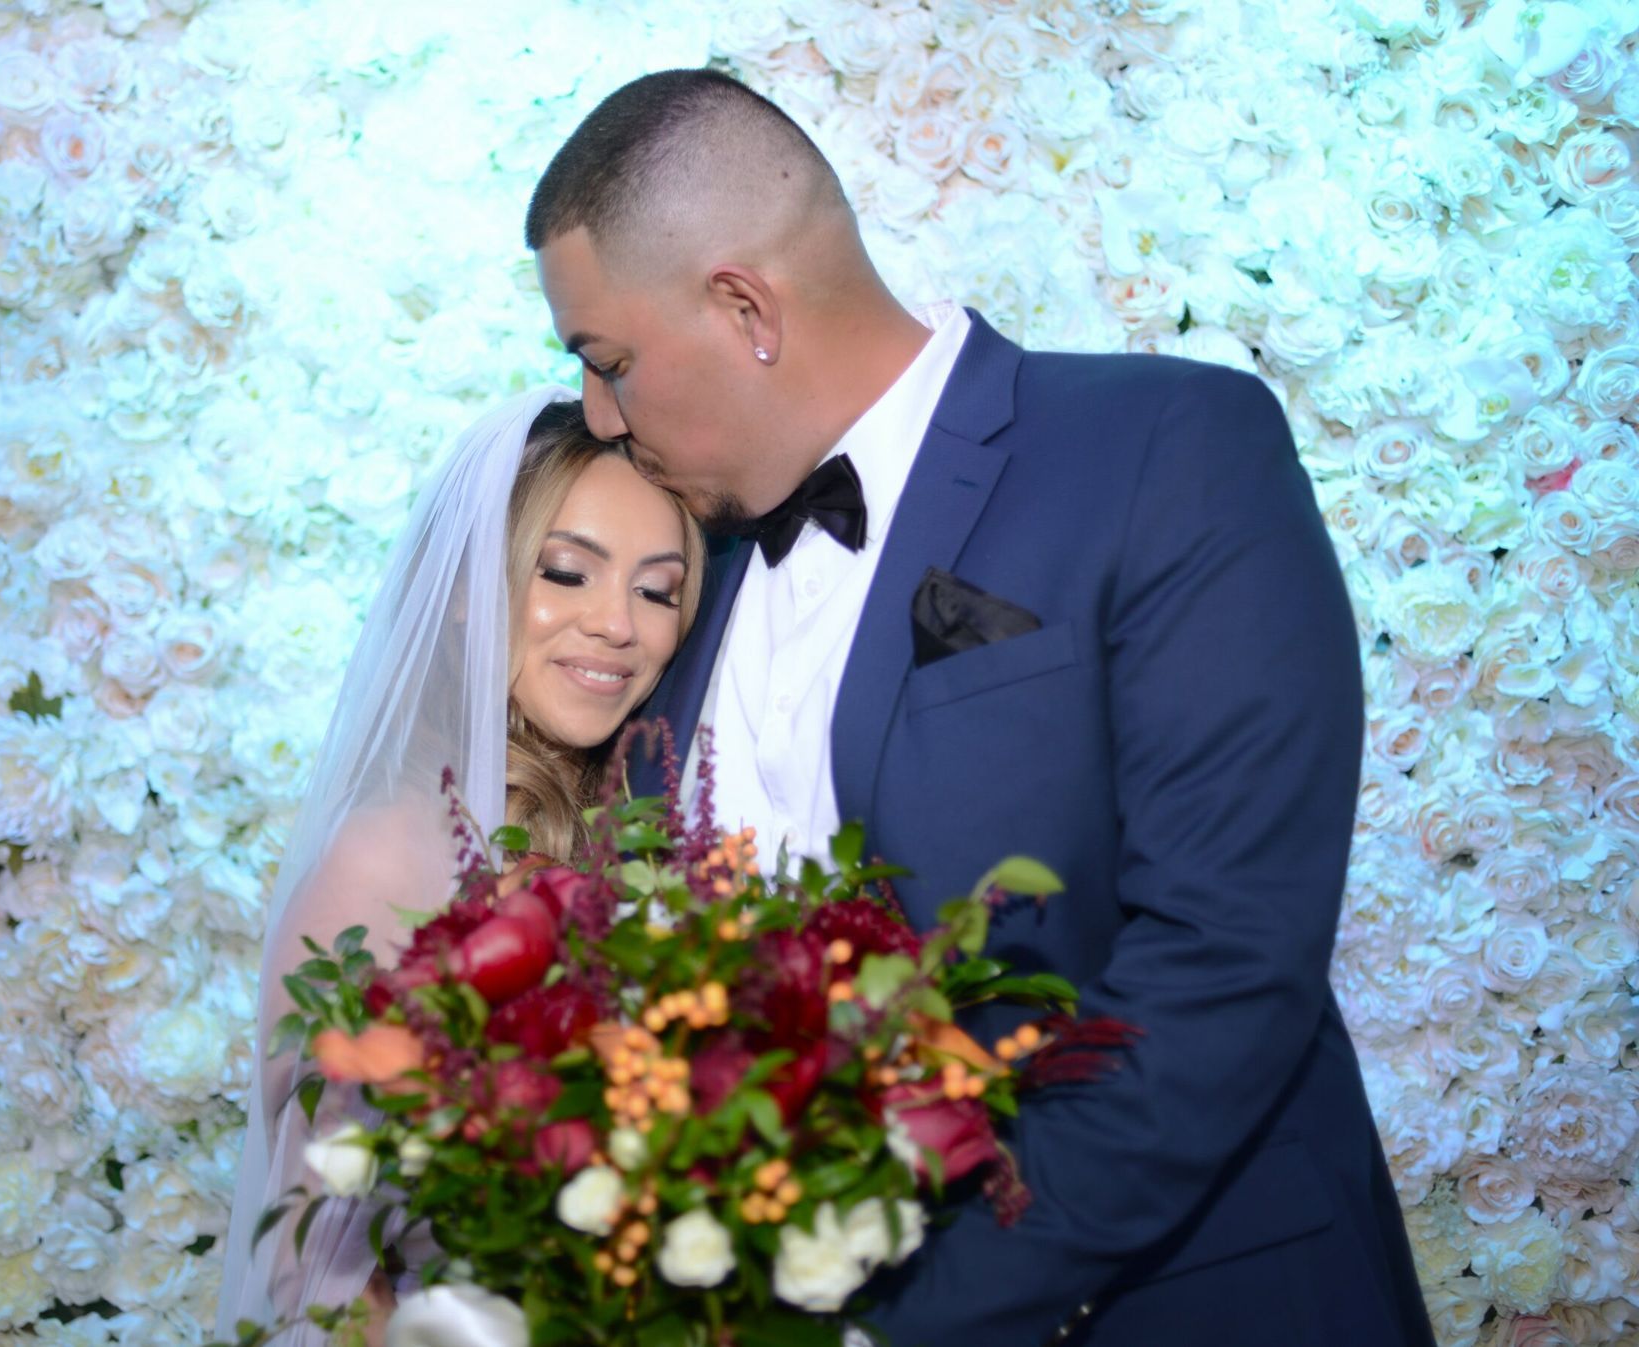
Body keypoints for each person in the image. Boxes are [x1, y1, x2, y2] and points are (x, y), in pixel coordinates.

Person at [528, 70, 1435, 1347]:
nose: (599, 417)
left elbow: (1223, 965)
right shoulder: (680, 585)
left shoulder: (1166, 447)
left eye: (608, 362)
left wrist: (897, 1326)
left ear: (744, 306)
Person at [214, 388, 705, 1346]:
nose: (618, 625)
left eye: (657, 589)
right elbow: (311, 1248)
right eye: (567, 573)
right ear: (472, 592)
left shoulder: (647, 838)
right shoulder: (386, 855)